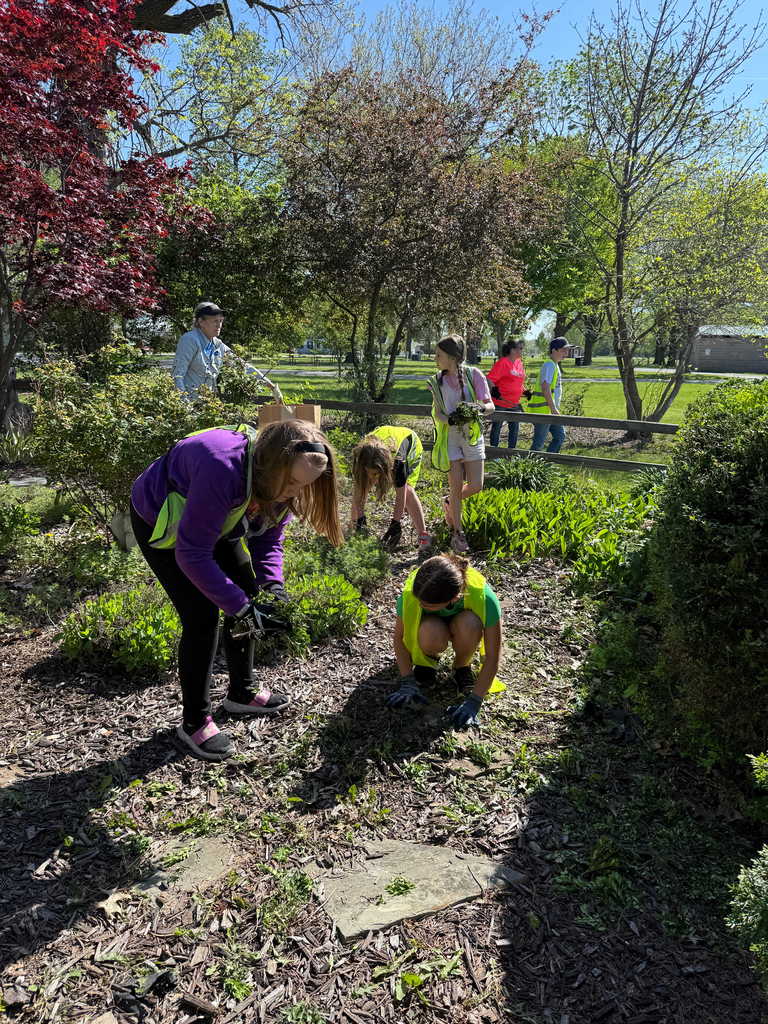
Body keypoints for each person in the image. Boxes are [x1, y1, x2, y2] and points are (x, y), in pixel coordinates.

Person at [130, 419, 343, 762]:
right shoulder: (222, 469)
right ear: (273, 463)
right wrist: (241, 607)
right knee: (201, 617)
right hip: (163, 522)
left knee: (250, 592)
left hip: (216, 519)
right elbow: (192, 553)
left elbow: (269, 537)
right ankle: (195, 721)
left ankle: (241, 692)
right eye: (291, 482)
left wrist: (272, 587)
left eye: (305, 485)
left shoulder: (279, 480)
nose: (296, 491)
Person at [387, 554, 503, 729]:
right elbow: (398, 638)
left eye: (426, 605)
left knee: (469, 624)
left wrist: (475, 701)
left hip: (463, 627)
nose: (419, 605)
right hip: (433, 628)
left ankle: (461, 666)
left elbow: (493, 656)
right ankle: (427, 663)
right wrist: (407, 682)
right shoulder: (412, 593)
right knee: (430, 631)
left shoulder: (484, 598)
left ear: (454, 598)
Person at [427, 334, 495, 554]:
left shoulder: (474, 374)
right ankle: (458, 532)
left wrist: (478, 409)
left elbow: (490, 405)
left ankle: (450, 501)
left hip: (472, 435)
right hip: (451, 437)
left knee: (476, 485)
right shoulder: (437, 381)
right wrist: (450, 419)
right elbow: (437, 412)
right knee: (455, 485)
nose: (435, 358)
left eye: (439, 355)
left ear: (453, 357)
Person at [172, 301, 281, 402]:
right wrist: (184, 403)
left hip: (208, 403)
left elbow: (243, 366)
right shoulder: (190, 340)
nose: (219, 325)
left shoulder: (218, 345)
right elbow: (177, 375)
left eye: (221, 321)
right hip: (190, 403)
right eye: (215, 321)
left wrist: (271, 386)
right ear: (201, 321)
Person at [350, 426, 432, 556]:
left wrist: (395, 523)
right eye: (369, 472)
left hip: (410, 443)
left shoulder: (398, 463)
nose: (372, 477)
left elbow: (401, 495)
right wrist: (360, 518)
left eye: (376, 474)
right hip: (379, 443)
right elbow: (358, 490)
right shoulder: (361, 456)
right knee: (363, 483)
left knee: (409, 490)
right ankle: (353, 529)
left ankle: (424, 538)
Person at [529, 337, 569, 453]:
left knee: (560, 436)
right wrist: (553, 408)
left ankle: (547, 462)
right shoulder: (549, 365)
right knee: (538, 444)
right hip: (544, 411)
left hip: (549, 411)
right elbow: (545, 387)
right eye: (563, 350)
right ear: (554, 350)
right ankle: (530, 468)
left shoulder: (555, 365)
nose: (566, 353)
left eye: (566, 350)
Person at [487, 340, 526, 449]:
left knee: (514, 428)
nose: (522, 351)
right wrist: (493, 389)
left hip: (514, 403)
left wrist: (525, 391)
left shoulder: (519, 363)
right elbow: (489, 379)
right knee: (497, 427)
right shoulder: (503, 362)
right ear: (512, 350)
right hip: (501, 402)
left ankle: (511, 453)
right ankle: (494, 452)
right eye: (520, 348)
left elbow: (517, 382)